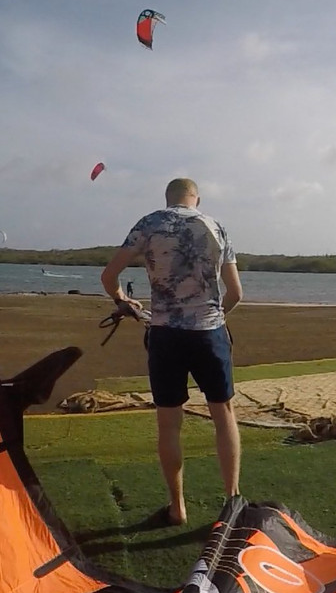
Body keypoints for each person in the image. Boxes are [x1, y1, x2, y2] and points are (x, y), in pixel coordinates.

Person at [101, 178, 243, 525]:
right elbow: (235, 292)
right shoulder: (215, 227)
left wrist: (123, 300)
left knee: (169, 423)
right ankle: (231, 502)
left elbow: (109, 275)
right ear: (197, 199)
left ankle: (177, 506)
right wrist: (215, 317)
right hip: (208, 333)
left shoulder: (150, 223)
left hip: (165, 334)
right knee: (223, 413)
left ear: (168, 198)